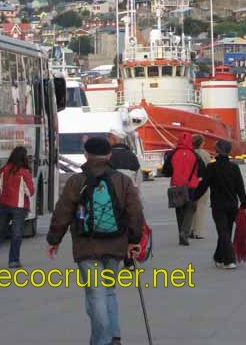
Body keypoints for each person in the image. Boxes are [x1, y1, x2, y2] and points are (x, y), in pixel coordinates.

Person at [47, 135, 144, 345]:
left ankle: (103, 340)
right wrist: (134, 240)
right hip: (116, 245)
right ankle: (113, 336)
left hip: (86, 246)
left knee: (95, 294)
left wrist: (54, 239)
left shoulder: (76, 181)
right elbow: (135, 212)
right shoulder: (122, 180)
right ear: (109, 155)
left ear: (86, 155)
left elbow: (62, 211)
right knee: (109, 292)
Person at [192, 139, 246, 269]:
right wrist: (244, 202)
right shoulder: (234, 167)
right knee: (226, 231)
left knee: (223, 232)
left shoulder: (211, 168)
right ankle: (218, 257)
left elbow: (203, 186)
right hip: (233, 205)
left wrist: (193, 197)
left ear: (217, 152)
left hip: (218, 206)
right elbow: (240, 186)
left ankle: (229, 260)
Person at [0, 145, 34, 269]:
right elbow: (30, 191)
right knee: (16, 234)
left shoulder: (4, 169)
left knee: (0, 230)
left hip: (4, 204)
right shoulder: (24, 172)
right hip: (19, 207)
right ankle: (13, 260)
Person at [161, 132, 204, 245]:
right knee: (190, 208)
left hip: (176, 185)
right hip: (192, 186)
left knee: (179, 210)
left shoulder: (172, 154)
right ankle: (184, 233)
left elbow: (165, 171)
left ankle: (181, 233)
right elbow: (202, 171)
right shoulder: (195, 155)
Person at [190, 134, 212, 240]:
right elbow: (209, 168)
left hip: (189, 183)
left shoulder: (189, 153)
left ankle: (189, 229)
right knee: (200, 207)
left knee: (190, 207)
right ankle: (198, 231)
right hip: (202, 182)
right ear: (201, 143)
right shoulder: (205, 154)